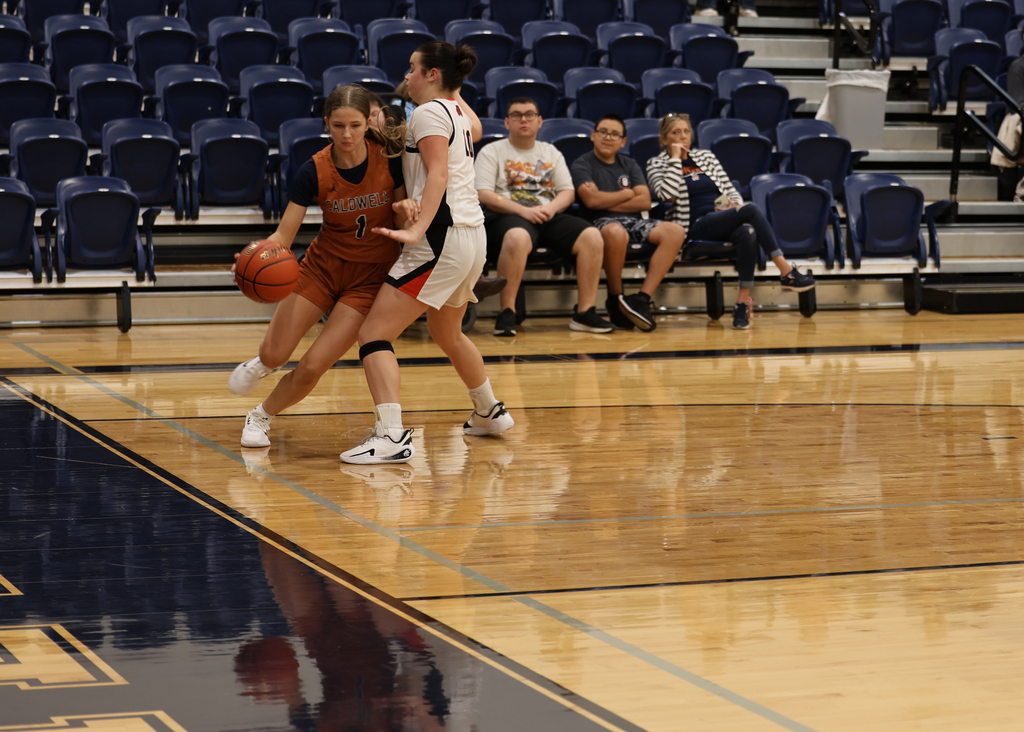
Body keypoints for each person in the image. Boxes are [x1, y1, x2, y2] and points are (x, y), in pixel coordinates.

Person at [339, 41, 514, 466]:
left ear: (433, 74)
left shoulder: (431, 113)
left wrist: (417, 227)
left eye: (414, 68)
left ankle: (392, 436)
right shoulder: (457, 111)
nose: (408, 75)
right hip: (472, 238)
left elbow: (436, 173)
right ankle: (489, 412)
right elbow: (472, 130)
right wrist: (454, 83)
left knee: (373, 334)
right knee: (448, 334)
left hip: (442, 238)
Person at [226, 84, 411, 448]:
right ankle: (263, 364)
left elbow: (405, 220)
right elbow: (284, 233)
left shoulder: (390, 160)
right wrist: (253, 255)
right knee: (275, 354)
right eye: (339, 126)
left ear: (367, 122)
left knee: (313, 366)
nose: (347, 134)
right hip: (321, 270)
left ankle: (260, 416)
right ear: (327, 123)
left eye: (355, 126)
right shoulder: (314, 169)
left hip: (368, 281)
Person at [645, 112, 816, 329]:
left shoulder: (706, 157)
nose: (683, 137)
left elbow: (729, 191)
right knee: (751, 209)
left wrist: (729, 204)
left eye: (686, 131)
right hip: (692, 227)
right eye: (675, 132)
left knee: (748, 232)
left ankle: (742, 304)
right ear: (664, 139)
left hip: (719, 219)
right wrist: (675, 160)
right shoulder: (656, 164)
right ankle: (786, 271)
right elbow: (666, 195)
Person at [474, 97, 614, 336]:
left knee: (591, 235)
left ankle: (585, 312)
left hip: (546, 214)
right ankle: (507, 312)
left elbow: (567, 191)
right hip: (507, 215)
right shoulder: (492, 151)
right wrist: (523, 210)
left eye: (529, 114)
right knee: (518, 237)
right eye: (516, 115)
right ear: (507, 123)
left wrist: (551, 209)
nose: (523, 119)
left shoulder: (550, 151)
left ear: (540, 122)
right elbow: (483, 193)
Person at [570, 114, 686, 332]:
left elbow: (643, 200)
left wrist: (606, 200)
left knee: (675, 231)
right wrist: (627, 194)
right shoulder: (581, 164)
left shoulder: (629, 164)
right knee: (615, 231)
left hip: (633, 222)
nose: (608, 138)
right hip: (596, 224)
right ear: (593, 135)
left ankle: (641, 299)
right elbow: (591, 201)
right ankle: (616, 297)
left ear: (623, 141)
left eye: (615, 134)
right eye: (603, 132)